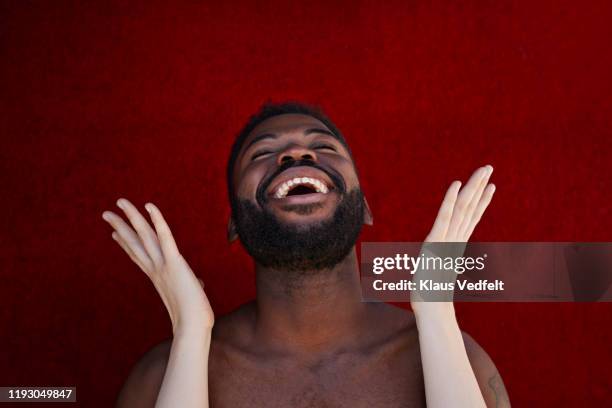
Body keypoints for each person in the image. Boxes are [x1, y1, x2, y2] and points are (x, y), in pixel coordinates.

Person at [102, 102, 509, 407]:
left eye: (322, 146)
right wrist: (191, 332)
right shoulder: (161, 377)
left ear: (364, 207)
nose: (297, 155)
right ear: (234, 224)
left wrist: (437, 317)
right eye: (262, 154)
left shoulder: (459, 360)